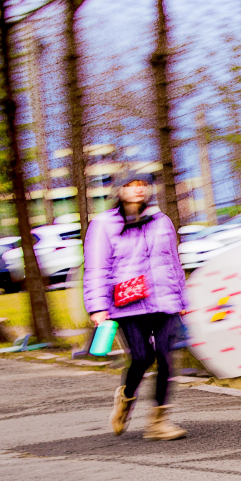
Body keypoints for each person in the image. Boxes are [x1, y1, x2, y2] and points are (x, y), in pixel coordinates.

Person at [84, 170, 189, 440]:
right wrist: (97, 307)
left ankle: (158, 422)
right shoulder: (103, 224)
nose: (138, 190)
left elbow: (173, 262)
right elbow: (97, 268)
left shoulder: (161, 220)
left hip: (163, 301)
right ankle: (125, 399)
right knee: (142, 357)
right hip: (127, 303)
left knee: (165, 357)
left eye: (142, 185)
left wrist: (181, 299)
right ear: (119, 191)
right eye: (130, 185)